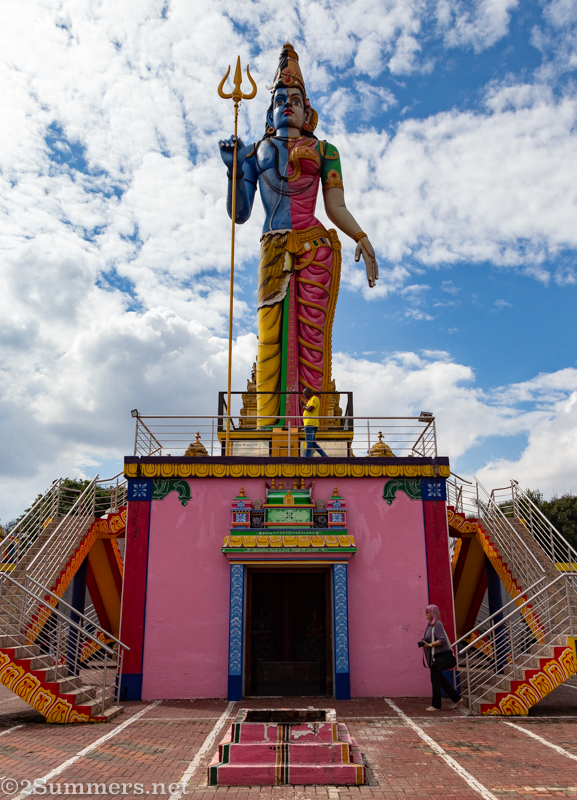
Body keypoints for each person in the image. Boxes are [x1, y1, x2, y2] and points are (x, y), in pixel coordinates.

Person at [219, 43, 378, 429]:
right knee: (268, 337)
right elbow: (239, 214)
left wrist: (362, 237)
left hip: (314, 245)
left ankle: (314, 424)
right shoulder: (257, 151)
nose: (287, 105)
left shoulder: (326, 151)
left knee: (312, 338)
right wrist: (233, 170)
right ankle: (267, 425)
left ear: (309, 112)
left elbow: (335, 207)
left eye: (295, 100)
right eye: (279, 101)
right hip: (272, 246)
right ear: (270, 112)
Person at [421, 604, 463, 712]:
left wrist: (430, 645)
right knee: (440, 679)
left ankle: (436, 705)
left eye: (427, 612)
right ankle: (457, 698)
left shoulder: (437, 624)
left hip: (437, 658)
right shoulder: (430, 625)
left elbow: (442, 640)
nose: (425, 613)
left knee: (435, 680)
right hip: (432, 658)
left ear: (432, 613)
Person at [302, 387, 328, 458]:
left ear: (309, 392)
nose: (304, 395)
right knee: (313, 443)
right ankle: (324, 456)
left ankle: (306, 457)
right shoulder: (310, 400)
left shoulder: (314, 398)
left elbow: (310, 408)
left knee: (309, 442)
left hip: (310, 423)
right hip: (310, 423)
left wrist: (304, 407)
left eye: (305, 393)